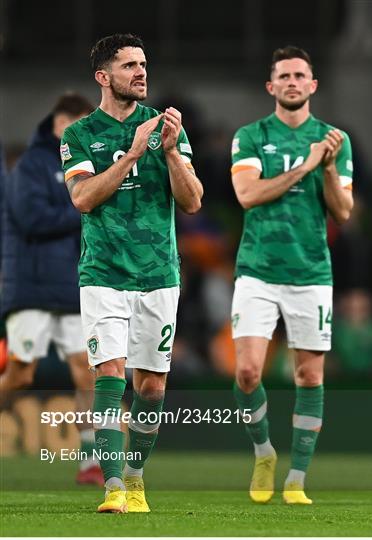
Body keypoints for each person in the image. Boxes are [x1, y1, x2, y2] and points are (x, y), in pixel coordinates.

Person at [61, 33, 203, 514]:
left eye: (143, 64)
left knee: (151, 388)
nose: (141, 72)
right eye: (129, 66)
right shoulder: (79, 135)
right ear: (104, 77)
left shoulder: (167, 129)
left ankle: (138, 477)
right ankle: (114, 485)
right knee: (109, 376)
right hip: (102, 273)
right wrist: (133, 154)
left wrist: (167, 152)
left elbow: (192, 202)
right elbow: (82, 199)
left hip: (159, 274)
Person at [230, 46, 354, 505]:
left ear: (313, 84)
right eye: (283, 76)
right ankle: (264, 452)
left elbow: (343, 211)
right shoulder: (250, 135)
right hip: (258, 269)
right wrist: (305, 164)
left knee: (308, 377)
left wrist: (324, 169)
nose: (292, 82)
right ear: (271, 87)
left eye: (300, 75)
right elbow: (246, 194)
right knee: (246, 372)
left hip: (310, 272)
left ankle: (297, 478)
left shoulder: (335, 140)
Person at [0, 93, 102, 485]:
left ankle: (90, 461)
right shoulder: (32, 165)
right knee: (21, 375)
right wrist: (83, 206)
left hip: (73, 285)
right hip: (31, 286)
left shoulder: (85, 164)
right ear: (60, 123)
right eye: (75, 125)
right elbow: (31, 219)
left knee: (86, 372)